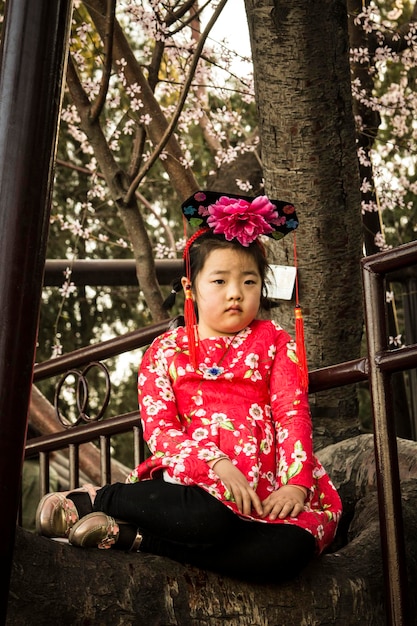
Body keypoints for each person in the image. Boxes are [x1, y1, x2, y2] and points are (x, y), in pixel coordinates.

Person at [36, 190, 342, 583]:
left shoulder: (275, 340)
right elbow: (161, 431)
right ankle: (94, 499)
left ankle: (134, 537)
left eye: (249, 281)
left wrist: (296, 486)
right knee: (206, 520)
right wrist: (217, 465)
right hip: (197, 486)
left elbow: (291, 412)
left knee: (287, 552)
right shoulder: (165, 351)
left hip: (267, 492)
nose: (236, 292)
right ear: (190, 286)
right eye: (220, 280)